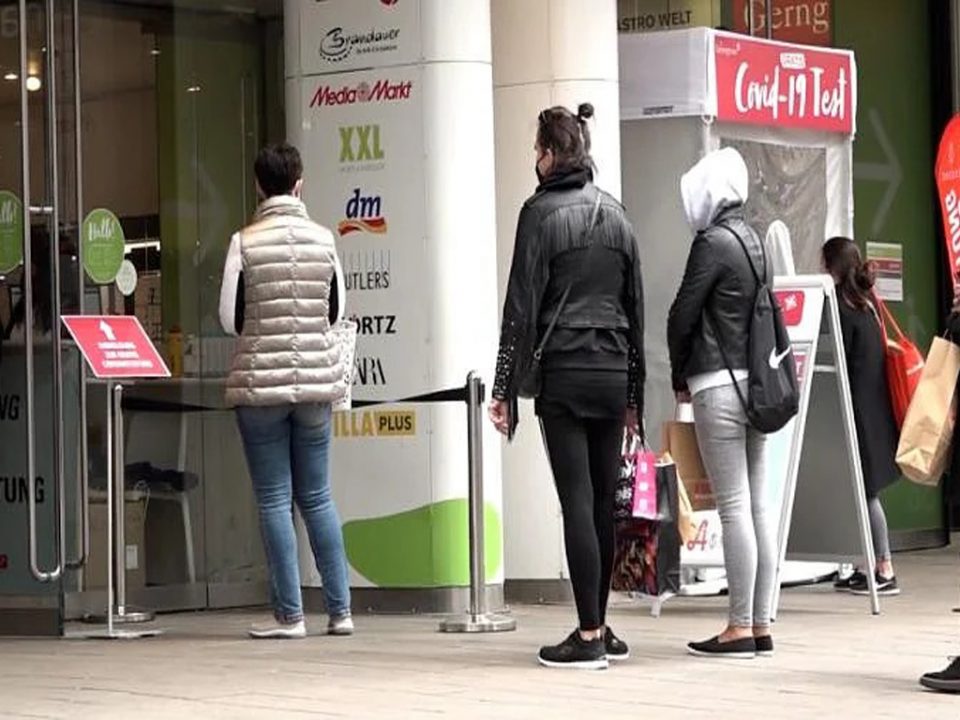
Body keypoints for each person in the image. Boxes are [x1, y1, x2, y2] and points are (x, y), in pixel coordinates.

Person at [488, 103, 645, 670]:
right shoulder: (617, 214)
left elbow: (520, 306)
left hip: (564, 372)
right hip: (612, 369)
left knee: (576, 499)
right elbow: (636, 306)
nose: (534, 159)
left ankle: (588, 634)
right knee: (603, 502)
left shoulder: (538, 213)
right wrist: (635, 395)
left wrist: (503, 388)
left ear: (551, 154)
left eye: (537, 150)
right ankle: (600, 622)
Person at [219, 142, 353, 639]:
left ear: (258, 185)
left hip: (260, 388)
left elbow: (228, 318)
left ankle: (290, 616)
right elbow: (335, 312)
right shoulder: (324, 240)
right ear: (300, 184)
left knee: (275, 499)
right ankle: (341, 611)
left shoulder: (243, 242)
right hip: (316, 387)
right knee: (317, 496)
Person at [668, 147, 775, 660]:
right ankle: (760, 622)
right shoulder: (754, 240)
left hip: (718, 383)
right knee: (755, 505)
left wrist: (678, 376)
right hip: (756, 386)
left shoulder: (711, 243)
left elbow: (682, 314)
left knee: (733, 506)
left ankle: (737, 627)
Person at [823, 237, 900, 598]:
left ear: (833, 266)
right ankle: (864, 566)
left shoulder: (841, 307)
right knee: (860, 491)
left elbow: (838, 359)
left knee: (866, 493)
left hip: (856, 412)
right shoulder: (867, 304)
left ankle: (884, 568)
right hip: (873, 410)